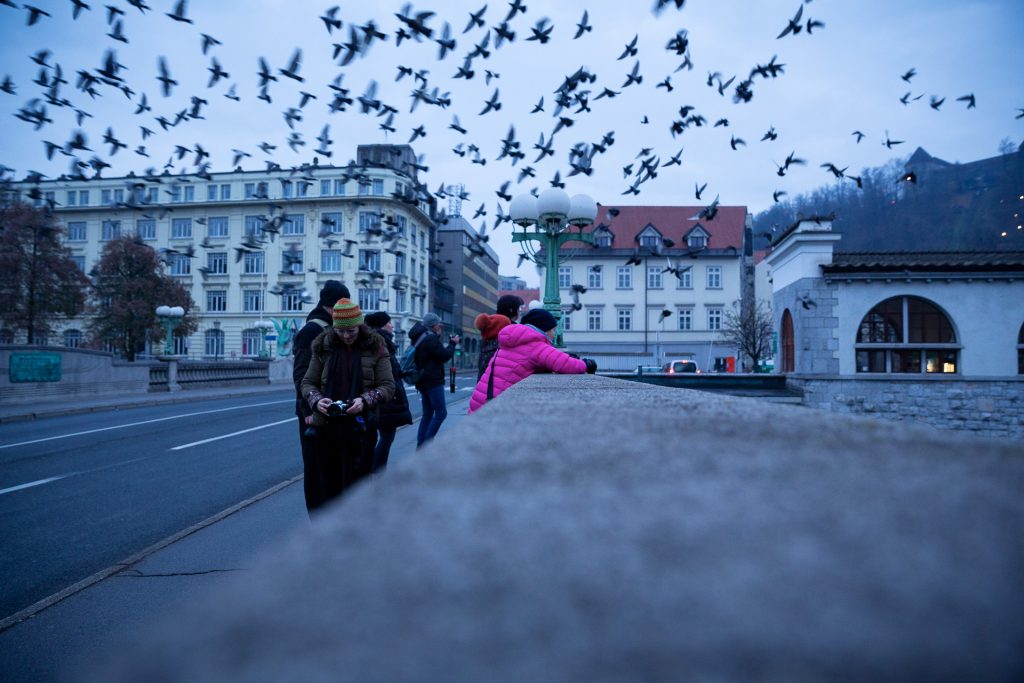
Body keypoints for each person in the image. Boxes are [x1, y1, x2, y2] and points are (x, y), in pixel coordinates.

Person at [301, 299, 395, 505]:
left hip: (361, 429)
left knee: (357, 488)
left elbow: (388, 386)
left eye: (350, 331)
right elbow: (308, 382)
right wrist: (317, 401)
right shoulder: (323, 346)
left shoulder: (376, 346)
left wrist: (365, 400)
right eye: (340, 331)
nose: (345, 336)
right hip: (327, 427)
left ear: (360, 325)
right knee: (329, 489)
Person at [469, 308, 597, 414]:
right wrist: (586, 364)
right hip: (493, 407)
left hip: (480, 403)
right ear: (544, 329)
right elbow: (566, 364)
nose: (555, 334)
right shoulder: (535, 345)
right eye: (553, 329)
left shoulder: (514, 341)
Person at [292, 279, 349, 513]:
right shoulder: (312, 330)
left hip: (334, 410)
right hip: (315, 414)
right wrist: (309, 410)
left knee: (334, 470)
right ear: (333, 305)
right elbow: (301, 376)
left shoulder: (333, 328)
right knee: (317, 472)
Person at [364, 311, 412, 473]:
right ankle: (376, 470)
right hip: (386, 397)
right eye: (389, 322)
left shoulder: (380, 341)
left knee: (386, 436)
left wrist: (403, 373)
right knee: (386, 436)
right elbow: (383, 371)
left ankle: (376, 469)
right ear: (382, 325)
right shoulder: (381, 342)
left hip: (385, 395)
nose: (392, 325)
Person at [408, 312, 459, 448]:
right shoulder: (430, 339)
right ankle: (426, 446)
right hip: (433, 381)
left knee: (427, 414)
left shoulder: (419, 337)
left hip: (422, 381)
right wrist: (452, 344)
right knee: (441, 413)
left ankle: (421, 446)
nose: (440, 326)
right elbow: (443, 356)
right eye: (439, 324)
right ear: (434, 325)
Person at [475, 294, 524, 380]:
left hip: (484, 384)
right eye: (518, 309)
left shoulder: (489, 328)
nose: (519, 312)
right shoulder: (513, 331)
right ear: (512, 310)